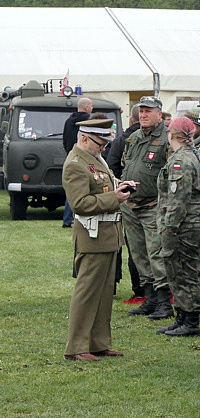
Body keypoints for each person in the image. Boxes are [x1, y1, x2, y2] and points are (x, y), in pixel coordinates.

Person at [62, 116, 134, 361]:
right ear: (84, 138)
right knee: (87, 293)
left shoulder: (95, 158)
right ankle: (77, 346)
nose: (103, 148)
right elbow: (80, 204)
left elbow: (102, 187)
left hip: (107, 237)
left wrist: (121, 187)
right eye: (99, 143)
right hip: (92, 238)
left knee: (104, 295)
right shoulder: (75, 164)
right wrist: (115, 198)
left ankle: (98, 342)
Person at [154, 116, 200, 336]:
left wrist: (170, 227)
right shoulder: (193, 155)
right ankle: (182, 317)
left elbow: (179, 199)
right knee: (180, 271)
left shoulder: (181, 161)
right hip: (192, 222)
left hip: (184, 225)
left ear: (173, 134)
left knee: (183, 272)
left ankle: (190, 321)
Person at [122, 96, 173, 320]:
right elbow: (126, 164)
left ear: (159, 114)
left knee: (156, 254)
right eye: (141, 111)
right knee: (138, 254)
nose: (143, 115)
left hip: (154, 205)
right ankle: (149, 298)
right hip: (131, 205)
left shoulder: (167, 138)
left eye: (148, 111)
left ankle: (164, 302)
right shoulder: (133, 138)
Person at [107, 104, 146, 305]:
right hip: (143, 199)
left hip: (125, 197)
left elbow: (111, 166)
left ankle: (139, 290)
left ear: (130, 120)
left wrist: (121, 185)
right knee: (140, 246)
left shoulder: (122, 139)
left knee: (131, 246)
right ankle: (147, 289)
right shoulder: (137, 139)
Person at [61, 97, 93, 228]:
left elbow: (64, 140)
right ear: (86, 107)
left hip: (71, 155)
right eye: (91, 106)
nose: (92, 108)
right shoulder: (89, 121)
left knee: (72, 188)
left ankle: (67, 218)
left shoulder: (69, 121)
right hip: (86, 157)